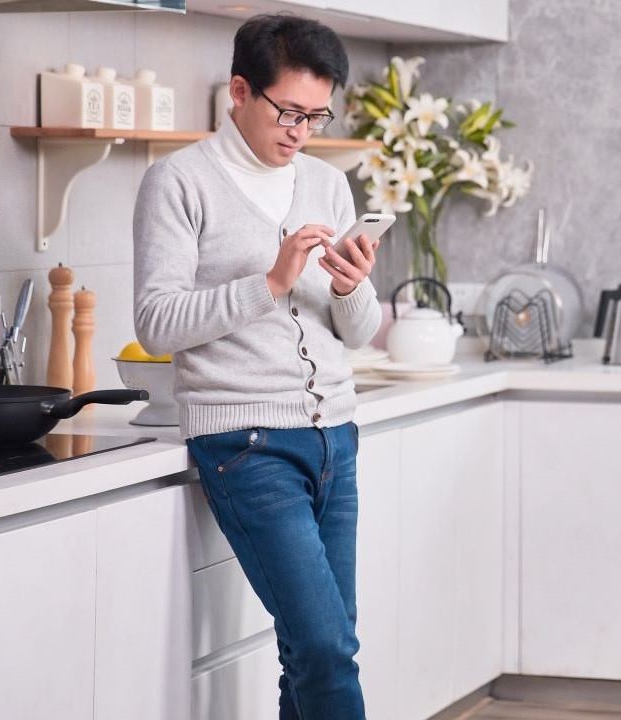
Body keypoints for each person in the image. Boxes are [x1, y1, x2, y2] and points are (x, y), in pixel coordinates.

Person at [133, 13, 380, 720]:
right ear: (239, 90)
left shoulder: (327, 183)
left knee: (317, 650)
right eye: (289, 111)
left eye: (317, 116)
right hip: (247, 444)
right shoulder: (179, 182)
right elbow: (155, 321)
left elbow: (358, 332)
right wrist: (270, 283)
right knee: (325, 649)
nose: (302, 131)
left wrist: (350, 288)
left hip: (336, 438)